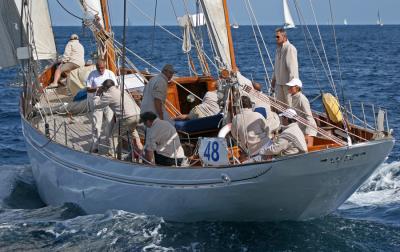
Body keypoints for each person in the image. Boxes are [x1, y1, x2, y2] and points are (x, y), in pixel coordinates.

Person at [94, 79, 142, 157]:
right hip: (138, 114)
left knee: (114, 136)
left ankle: (111, 156)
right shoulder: (121, 90)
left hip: (127, 117)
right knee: (133, 131)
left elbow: (97, 105)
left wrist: (97, 94)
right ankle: (140, 148)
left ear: (105, 87)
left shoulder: (109, 94)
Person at [86, 59, 118, 153]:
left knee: (110, 123)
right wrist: (98, 88)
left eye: (102, 68)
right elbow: (88, 89)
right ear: (96, 67)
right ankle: (95, 146)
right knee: (96, 125)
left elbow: (115, 87)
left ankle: (110, 148)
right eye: (99, 68)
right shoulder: (92, 74)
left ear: (105, 66)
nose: (101, 70)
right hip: (98, 103)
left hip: (108, 102)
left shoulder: (110, 73)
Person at [271, 27, 299, 107]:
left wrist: (293, 86)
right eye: (275, 37)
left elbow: (292, 68)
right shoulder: (278, 49)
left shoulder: (290, 48)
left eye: (278, 37)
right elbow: (276, 67)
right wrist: (273, 80)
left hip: (288, 86)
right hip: (279, 84)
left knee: (291, 108)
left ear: (284, 37)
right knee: (281, 109)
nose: (276, 39)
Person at [286, 78, 318, 146]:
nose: (289, 88)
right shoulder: (294, 97)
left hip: (310, 129)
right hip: (301, 129)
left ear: (297, 88)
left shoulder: (302, 99)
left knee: (308, 151)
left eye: (291, 86)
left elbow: (309, 117)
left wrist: (308, 133)